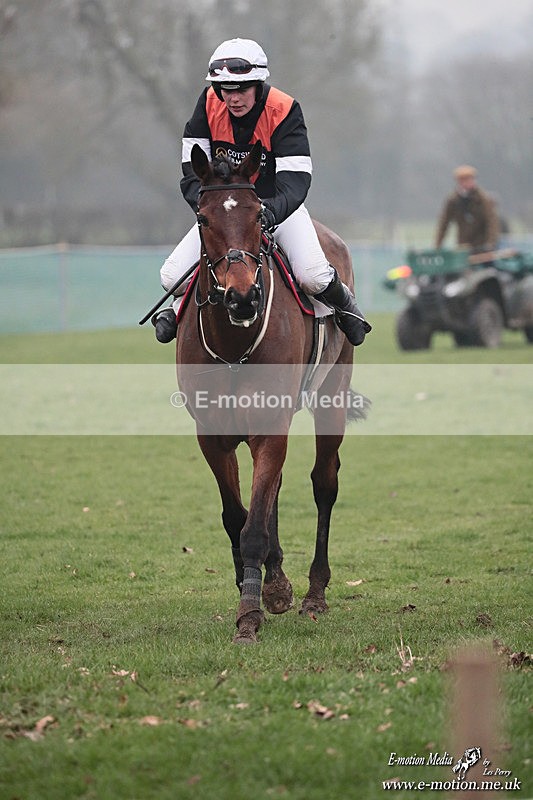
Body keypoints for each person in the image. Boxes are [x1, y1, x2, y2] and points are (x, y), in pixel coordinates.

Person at [154, 37, 371, 346]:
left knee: (312, 275)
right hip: (227, 215)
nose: (233, 98)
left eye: (241, 89)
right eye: (226, 90)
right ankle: (177, 308)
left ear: (258, 84)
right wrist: (212, 212)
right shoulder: (206, 105)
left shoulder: (284, 109)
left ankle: (347, 307)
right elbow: (191, 173)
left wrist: (267, 213)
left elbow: (296, 180)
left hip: (277, 210)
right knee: (171, 275)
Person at [435, 165, 500, 253]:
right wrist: (438, 245)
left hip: (482, 246)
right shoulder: (453, 200)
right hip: (463, 245)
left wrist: (490, 244)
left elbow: (492, 222)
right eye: (463, 180)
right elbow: (444, 223)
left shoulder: (484, 199)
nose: (466, 183)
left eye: (469, 180)